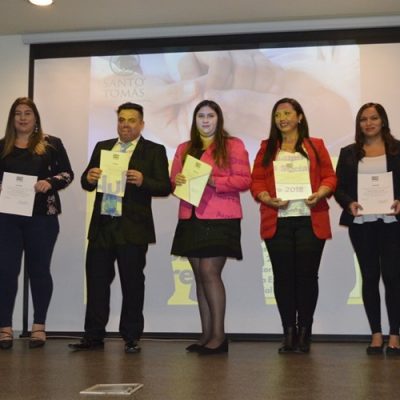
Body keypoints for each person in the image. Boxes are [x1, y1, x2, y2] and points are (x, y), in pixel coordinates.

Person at [68, 102, 171, 354]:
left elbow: (165, 186)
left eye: (132, 120)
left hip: (133, 228)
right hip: (103, 226)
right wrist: (89, 177)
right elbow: (86, 181)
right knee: (96, 282)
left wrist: (144, 180)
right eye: (122, 119)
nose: (125, 124)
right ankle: (93, 336)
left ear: (142, 124)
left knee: (132, 283)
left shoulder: (154, 150)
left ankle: (131, 336)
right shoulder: (103, 147)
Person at [251, 98, 336, 353]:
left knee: (307, 277)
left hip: (310, 219)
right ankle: (288, 331)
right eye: (278, 114)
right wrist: (267, 198)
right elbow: (256, 182)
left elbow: (330, 176)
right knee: (283, 278)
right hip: (278, 221)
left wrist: (320, 193)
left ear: (299, 117)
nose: (282, 118)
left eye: (287, 113)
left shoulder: (315, 145)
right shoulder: (267, 148)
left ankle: (305, 331)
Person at [170, 99, 251, 355]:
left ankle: (219, 336)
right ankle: (206, 335)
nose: (206, 121)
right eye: (201, 116)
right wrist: (177, 180)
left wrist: (214, 181)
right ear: (195, 120)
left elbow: (244, 179)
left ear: (219, 119)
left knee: (209, 272)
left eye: (211, 116)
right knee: (199, 277)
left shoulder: (233, 145)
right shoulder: (184, 148)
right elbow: (173, 179)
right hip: (191, 217)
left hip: (221, 217)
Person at [0, 97, 73, 350]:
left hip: (42, 217)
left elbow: (67, 174)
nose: (22, 117)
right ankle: (5, 327)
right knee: (6, 272)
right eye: (17, 113)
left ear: (35, 117)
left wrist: (50, 182)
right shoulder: (2, 146)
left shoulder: (51, 144)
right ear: (12, 119)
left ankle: (39, 326)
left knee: (39, 270)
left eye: (27, 113)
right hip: (7, 219)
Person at [334, 103, 400, 355]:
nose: (368, 123)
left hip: (392, 224)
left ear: (383, 120)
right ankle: (375, 334)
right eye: (363, 119)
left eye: (374, 118)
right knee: (370, 277)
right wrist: (349, 202)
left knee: (393, 278)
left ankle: (395, 334)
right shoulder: (349, 152)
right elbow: (339, 187)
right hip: (362, 225)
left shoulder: (397, 150)